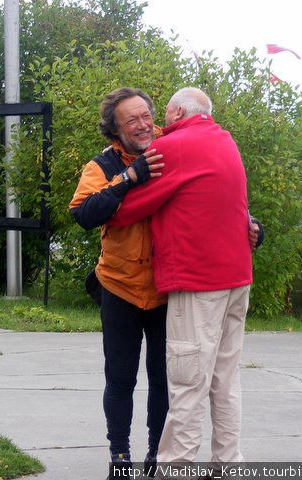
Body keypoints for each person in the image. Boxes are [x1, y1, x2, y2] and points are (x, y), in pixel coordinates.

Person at [107, 87, 256, 470]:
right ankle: (227, 465)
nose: (157, 125)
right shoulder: (226, 141)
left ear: (175, 112)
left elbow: (126, 211)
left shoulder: (174, 148)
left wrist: (119, 187)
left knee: (187, 384)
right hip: (237, 281)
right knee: (225, 380)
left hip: (198, 284)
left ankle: (175, 469)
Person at [69, 87, 167, 479]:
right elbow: (84, 213)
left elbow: (209, 187)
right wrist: (127, 178)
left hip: (165, 287)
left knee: (163, 380)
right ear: (115, 127)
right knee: (120, 378)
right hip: (119, 286)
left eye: (146, 115)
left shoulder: (171, 147)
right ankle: (120, 458)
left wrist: (249, 223)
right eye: (132, 120)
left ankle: (158, 456)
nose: (143, 125)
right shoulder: (101, 166)